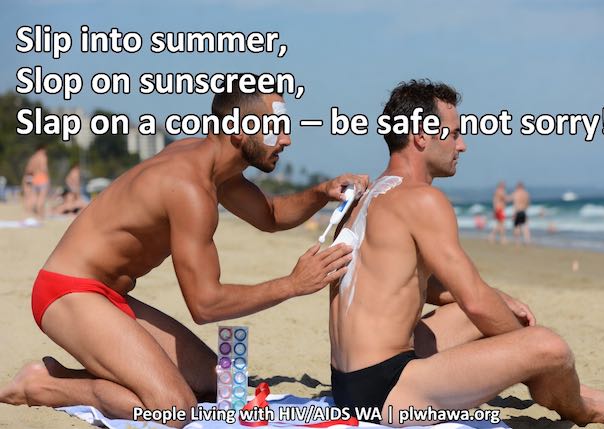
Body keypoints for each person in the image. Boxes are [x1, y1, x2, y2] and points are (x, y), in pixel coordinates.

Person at [0, 80, 365, 428]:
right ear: (238, 130)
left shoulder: (214, 166)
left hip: (109, 297)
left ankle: (103, 374)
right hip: (67, 292)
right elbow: (205, 305)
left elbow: (269, 215)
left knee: (218, 386)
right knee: (174, 409)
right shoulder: (190, 188)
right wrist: (291, 285)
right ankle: (44, 384)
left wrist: (322, 192)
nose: (286, 138)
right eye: (275, 127)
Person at [329, 79, 604, 427]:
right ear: (421, 136)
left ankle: (565, 386)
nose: (462, 145)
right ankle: (583, 408)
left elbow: (396, 281)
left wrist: (499, 298)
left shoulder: (364, 199)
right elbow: (476, 302)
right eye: (453, 134)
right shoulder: (422, 199)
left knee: (492, 310)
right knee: (549, 347)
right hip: (386, 393)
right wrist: (529, 352)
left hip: (348, 385)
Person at [22, 144, 49, 218]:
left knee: (33, 197)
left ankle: (29, 213)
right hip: (42, 178)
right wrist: (48, 177)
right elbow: (44, 168)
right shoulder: (42, 157)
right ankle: (40, 214)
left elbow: (28, 169)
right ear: (41, 149)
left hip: (34, 178)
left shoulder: (33, 158)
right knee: (41, 197)